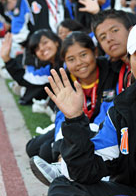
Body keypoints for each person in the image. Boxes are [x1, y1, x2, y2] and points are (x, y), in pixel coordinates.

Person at [44, 19, 136, 196]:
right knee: (62, 188)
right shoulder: (123, 108)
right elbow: (84, 171)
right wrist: (75, 119)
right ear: (129, 61)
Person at [28, 31, 120, 185]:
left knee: (46, 151)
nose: (79, 63)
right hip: (74, 124)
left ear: (95, 52)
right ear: (64, 61)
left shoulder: (110, 71)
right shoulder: (66, 78)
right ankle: (61, 165)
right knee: (35, 148)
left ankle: (64, 169)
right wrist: (60, 153)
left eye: (83, 55)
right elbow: (61, 117)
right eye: (71, 59)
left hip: (97, 127)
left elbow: (108, 111)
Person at [1, 29, 62, 106]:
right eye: (37, 48)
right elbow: (27, 79)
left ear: (56, 42)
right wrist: (7, 59)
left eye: (45, 42)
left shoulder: (67, 60)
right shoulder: (49, 68)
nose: (42, 49)